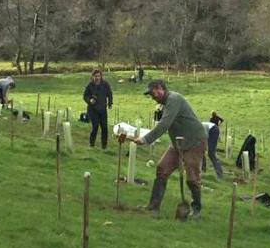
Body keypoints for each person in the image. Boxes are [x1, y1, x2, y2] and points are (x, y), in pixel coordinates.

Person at [130, 79, 208, 219]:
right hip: (178, 143)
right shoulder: (166, 104)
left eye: (153, 94)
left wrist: (145, 139)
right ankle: (153, 207)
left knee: (192, 178)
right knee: (162, 168)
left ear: (160, 88)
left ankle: (196, 210)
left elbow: (164, 124)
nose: (152, 97)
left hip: (194, 142)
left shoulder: (173, 99)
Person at [83, 69, 113, 149]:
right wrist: (89, 100)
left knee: (104, 128)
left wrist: (110, 103)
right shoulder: (90, 86)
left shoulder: (105, 84)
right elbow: (85, 96)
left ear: (101, 76)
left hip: (103, 109)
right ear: (92, 77)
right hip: (93, 110)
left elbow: (110, 94)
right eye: (96, 76)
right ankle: (91, 144)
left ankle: (104, 146)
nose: (97, 78)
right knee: (95, 126)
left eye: (99, 76)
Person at [204, 112, 225, 179]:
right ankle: (203, 170)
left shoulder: (196, 129)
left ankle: (219, 173)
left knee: (211, 153)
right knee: (202, 151)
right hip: (211, 129)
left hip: (213, 130)